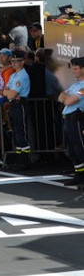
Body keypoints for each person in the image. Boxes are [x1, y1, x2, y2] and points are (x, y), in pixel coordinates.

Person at [3, 50, 31, 171]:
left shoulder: (22, 76)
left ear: (22, 62)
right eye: (12, 61)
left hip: (20, 105)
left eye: (17, 61)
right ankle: (19, 160)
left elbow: (9, 95)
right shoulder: (13, 75)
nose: (14, 63)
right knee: (15, 133)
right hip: (14, 105)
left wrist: (9, 93)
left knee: (21, 133)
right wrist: (9, 93)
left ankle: (25, 161)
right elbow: (6, 90)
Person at [58, 57, 84, 186]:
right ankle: (79, 174)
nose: (73, 71)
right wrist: (65, 97)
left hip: (76, 119)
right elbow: (60, 96)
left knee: (80, 148)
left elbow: (67, 100)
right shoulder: (75, 85)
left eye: (76, 68)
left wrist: (66, 97)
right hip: (68, 119)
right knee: (72, 150)